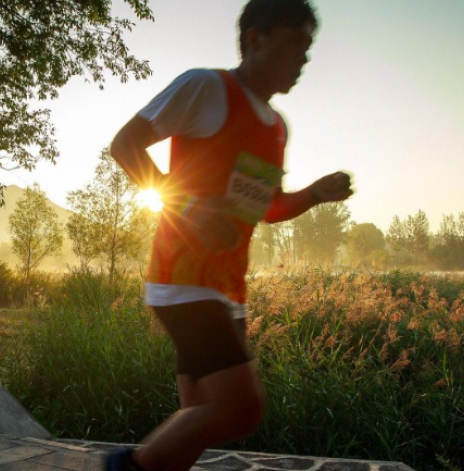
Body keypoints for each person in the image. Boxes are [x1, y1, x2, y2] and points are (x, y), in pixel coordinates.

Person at [106, 1, 353, 470]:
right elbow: (126, 145)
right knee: (241, 410)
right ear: (255, 40)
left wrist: (315, 194)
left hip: (227, 291)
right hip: (183, 279)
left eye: (309, 46)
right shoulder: (207, 86)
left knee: (198, 419)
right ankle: (123, 467)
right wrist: (192, 209)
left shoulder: (277, 128)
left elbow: (263, 207)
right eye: (296, 42)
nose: (304, 58)